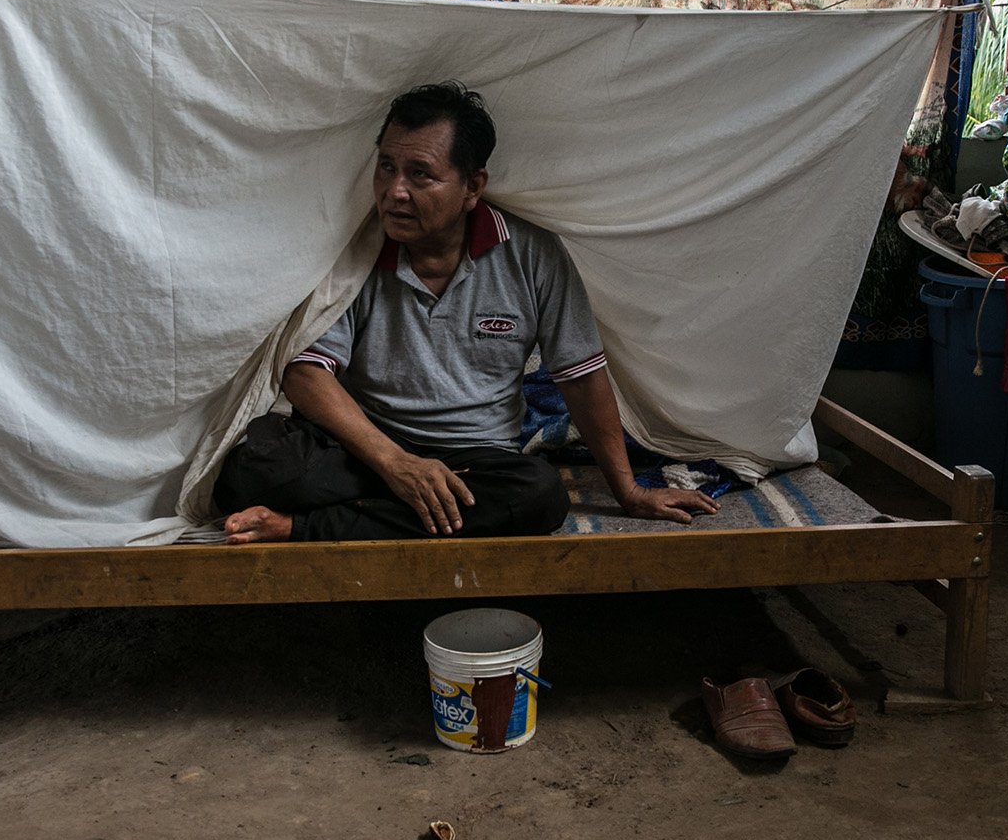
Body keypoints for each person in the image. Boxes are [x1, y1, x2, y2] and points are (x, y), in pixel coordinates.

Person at [215, 81, 719, 542]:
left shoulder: (531, 254)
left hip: (476, 465)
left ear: (472, 188)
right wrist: (396, 463)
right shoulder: (358, 250)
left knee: (538, 495)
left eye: (420, 175)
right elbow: (306, 374)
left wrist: (628, 491)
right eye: (386, 166)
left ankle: (301, 529)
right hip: (367, 449)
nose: (395, 191)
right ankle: (401, 505)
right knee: (255, 468)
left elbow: (581, 377)